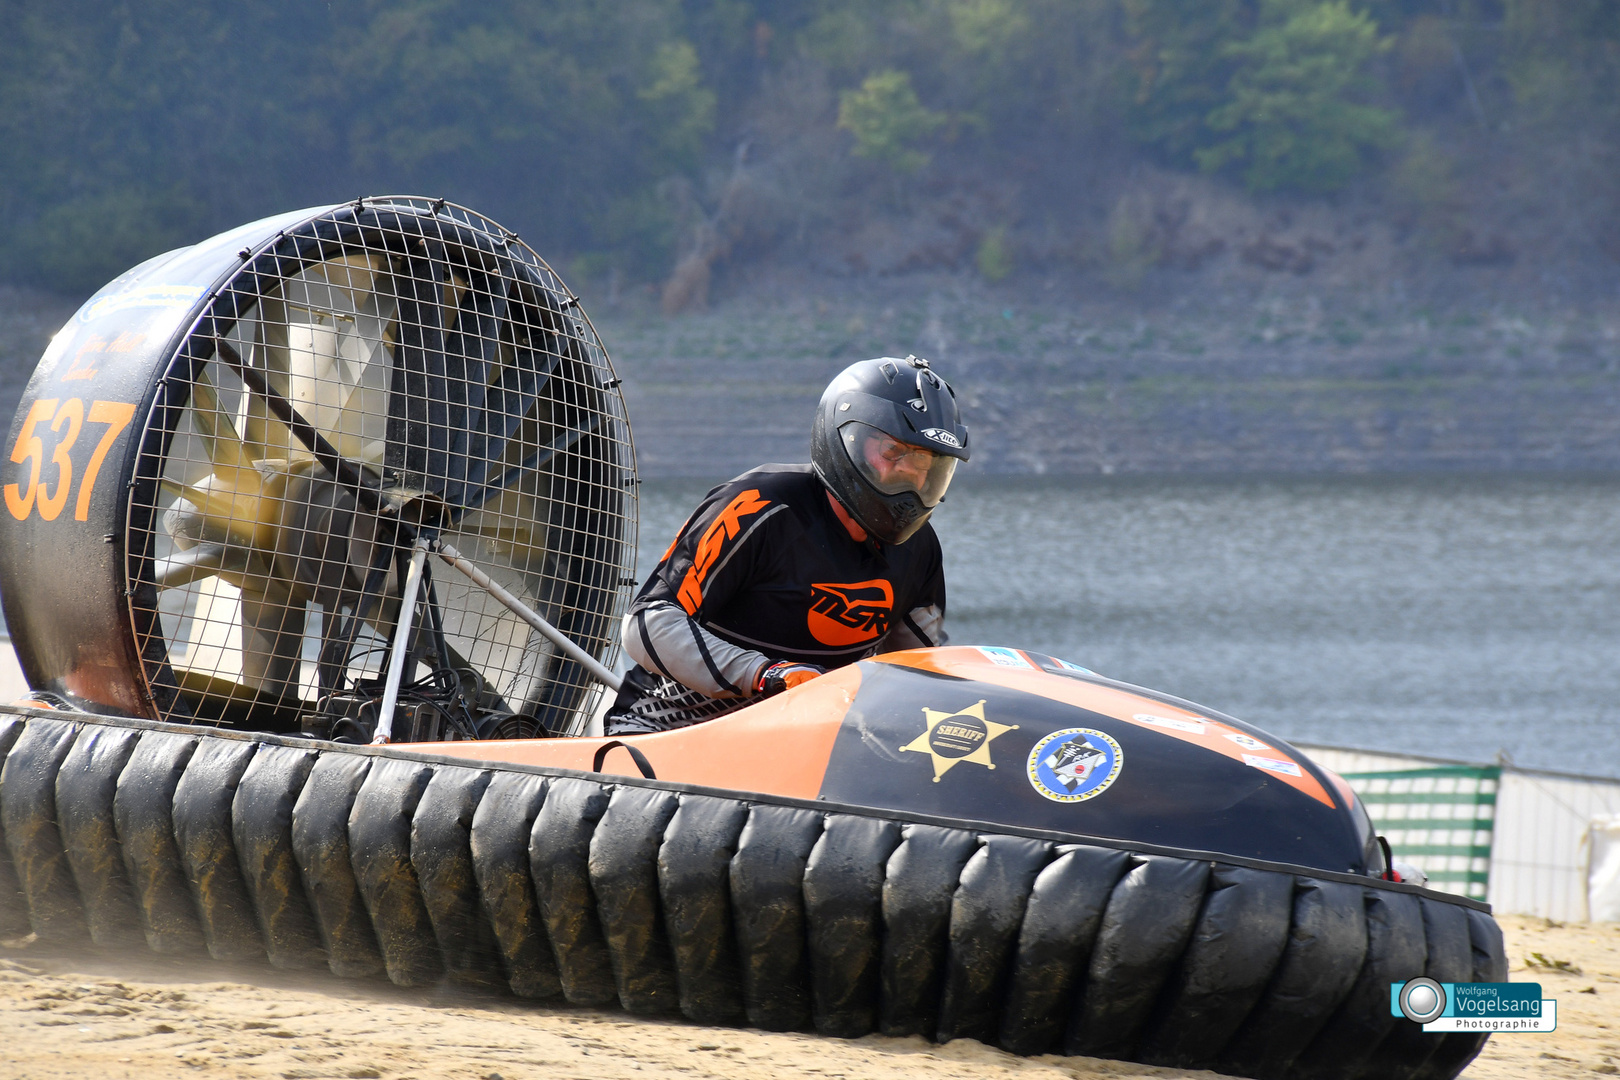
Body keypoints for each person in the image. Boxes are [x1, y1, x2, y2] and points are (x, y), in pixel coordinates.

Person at [604, 355, 970, 735]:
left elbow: (922, 669)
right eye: (895, 453)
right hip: (665, 734)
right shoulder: (757, 505)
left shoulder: (920, 549)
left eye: (929, 465)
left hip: (799, 746)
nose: (913, 475)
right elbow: (647, 624)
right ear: (846, 440)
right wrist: (764, 673)